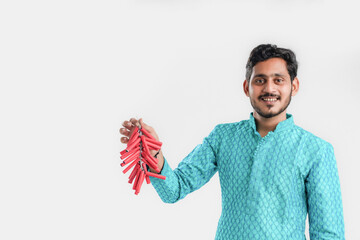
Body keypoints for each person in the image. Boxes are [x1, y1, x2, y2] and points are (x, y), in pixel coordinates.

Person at [119, 44, 345, 240]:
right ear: (247, 87)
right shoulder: (223, 138)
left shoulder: (316, 150)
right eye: (260, 80)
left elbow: (328, 234)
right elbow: (173, 190)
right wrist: (153, 153)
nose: (269, 88)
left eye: (278, 80)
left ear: (293, 86)